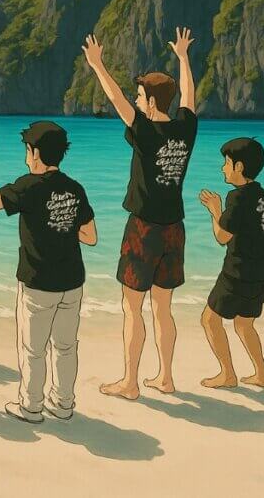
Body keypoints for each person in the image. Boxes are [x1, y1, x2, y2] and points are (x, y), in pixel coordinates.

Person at [83, 27, 198, 400]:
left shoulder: (146, 132)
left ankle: (131, 382)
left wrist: (97, 66)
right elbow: (189, 98)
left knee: (132, 308)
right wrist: (183, 58)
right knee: (163, 308)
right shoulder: (185, 129)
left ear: (149, 101)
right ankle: (165, 377)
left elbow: (116, 100)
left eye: (140, 95)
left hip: (144, 229)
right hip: (174, 230)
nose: (135, 98)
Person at [0, 122, 98, 423]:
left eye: (27, 151)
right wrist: (62, 225)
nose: (27, 157)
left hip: (38, 280)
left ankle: (31, 407)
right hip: (72, 280)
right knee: (66, 346)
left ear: (36, 152)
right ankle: (64, 403)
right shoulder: (74, 187)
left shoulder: (29, 185)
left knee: (33, 349)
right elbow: (90, 236)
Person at [197, 138, 264, 389]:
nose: (223, 168)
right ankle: (261, 374)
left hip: (239, 272)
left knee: (209, 319)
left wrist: (215, 209)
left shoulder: (237, 197)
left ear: (239, 167)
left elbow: (222, 236)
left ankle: (227, 374)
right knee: (244, 322)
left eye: (226, 163)